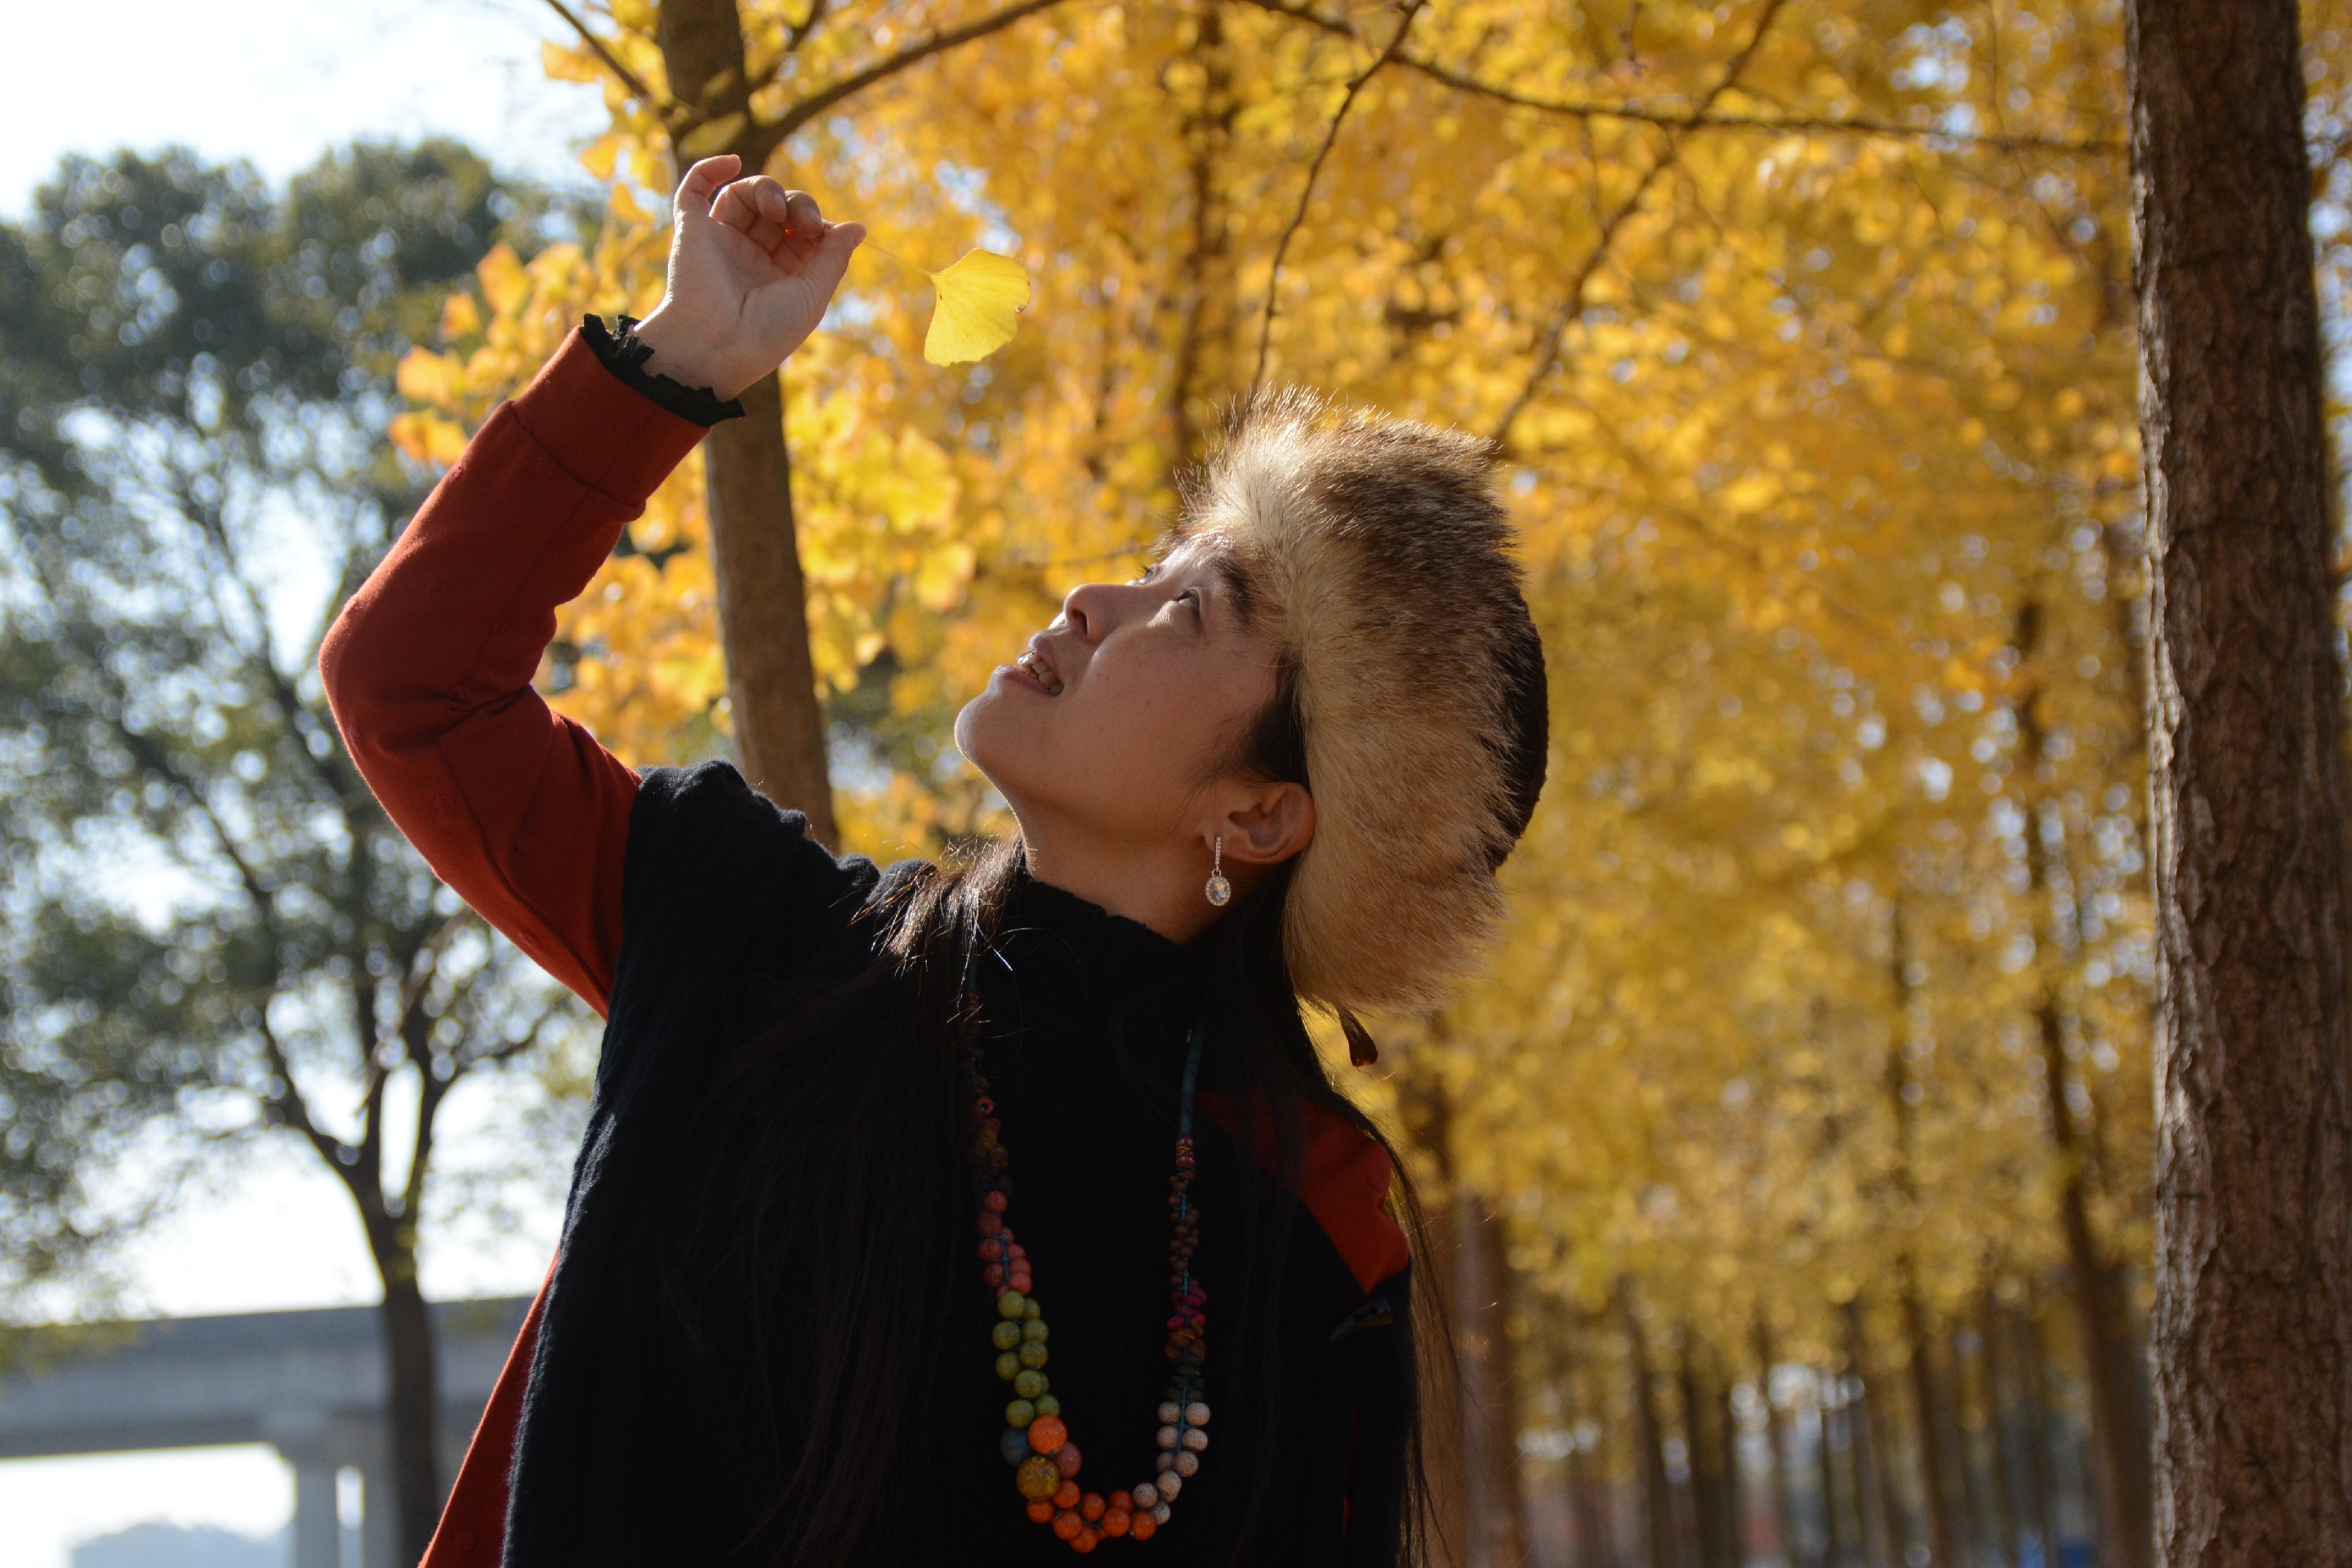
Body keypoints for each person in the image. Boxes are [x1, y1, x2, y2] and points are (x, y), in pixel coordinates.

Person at [322, 154, 1548, 1568]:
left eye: (1195, 608)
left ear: (1263, 817)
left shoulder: (1311, 1217)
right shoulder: (746, 928)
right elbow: (409, 682)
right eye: (1155, 561)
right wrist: (681, 362)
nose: (1098, 596)